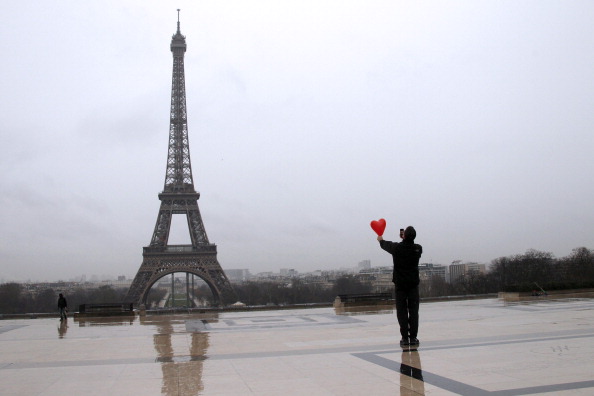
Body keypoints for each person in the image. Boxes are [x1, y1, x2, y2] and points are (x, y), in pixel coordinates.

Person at [377, 226, 423, 348]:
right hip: (413, 284)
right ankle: (413, 337)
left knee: (402, 312)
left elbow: (385, 244)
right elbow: (408, 245)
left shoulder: (397, 248)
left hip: (400, 285)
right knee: (413, 312)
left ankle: (404, 337)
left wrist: (380, 239)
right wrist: (405, 238)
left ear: (405, 236)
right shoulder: (418, 249)